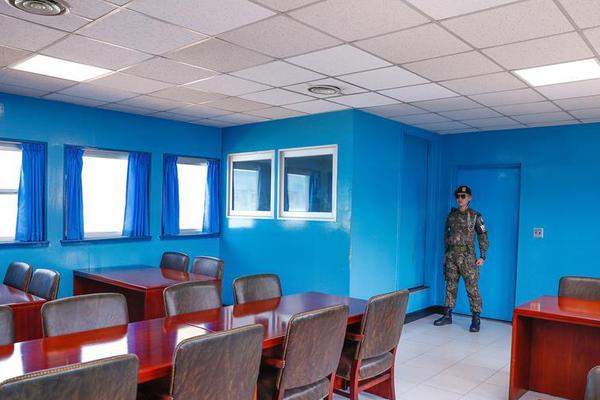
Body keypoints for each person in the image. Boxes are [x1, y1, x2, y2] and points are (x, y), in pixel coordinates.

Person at [434, 185, 489, 332]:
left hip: (467, 257)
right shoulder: (451, 216)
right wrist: (446, 255)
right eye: (458, 196)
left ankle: (476, 319)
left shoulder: (475, 216)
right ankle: (447, 315)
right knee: (450, 285)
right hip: (451, 256)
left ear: (469, 198)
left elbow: (483, 236)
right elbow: (446, 236)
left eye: (463, 196)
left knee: (472, 287)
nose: (460, 199)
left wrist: (483, 255)